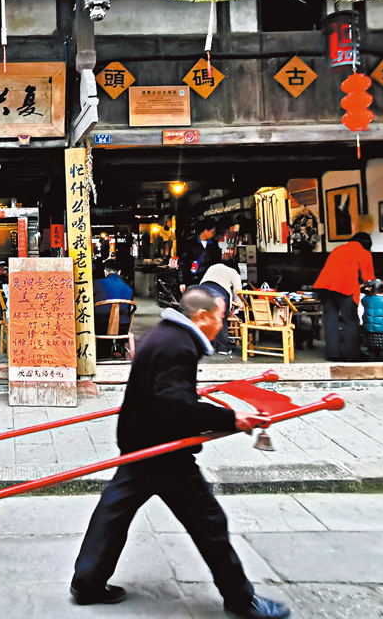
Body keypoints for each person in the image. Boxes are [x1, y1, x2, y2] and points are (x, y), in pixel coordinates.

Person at [71, 287, 290, 619]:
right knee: (210, 522)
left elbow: (164, 390)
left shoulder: (162, 334)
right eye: (220, 317)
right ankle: (242, 600)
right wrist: (233, 419)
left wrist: (196, 396)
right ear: (201, 316)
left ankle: (86, 582)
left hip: (139, 443)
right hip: (165, 451)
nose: (222, 325)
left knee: (113, 512)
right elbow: (173, 403)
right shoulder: (178, 346)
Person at [313, 232, 375, 362]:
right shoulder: (363, 252)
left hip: (324, 287)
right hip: (345, 288)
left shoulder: (338, 249)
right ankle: (351, 355)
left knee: (330, 320)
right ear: (367, 244)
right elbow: (368, 278)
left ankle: (333, 354)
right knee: (350, 321)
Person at [201, 259, 245, 355]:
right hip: (218, 294)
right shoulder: (234, 273)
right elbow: (238, 294)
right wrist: (239, 307)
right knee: (220, 318)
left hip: (201, 292)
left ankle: (202, 346)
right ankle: (223, 348)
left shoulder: (213, 266)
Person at [92, 259, 134, 358]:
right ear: (119, 272)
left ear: (105, 271)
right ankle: (119, 347)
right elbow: (128, 308)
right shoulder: (128, 288)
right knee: (123, 316)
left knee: (98, 316)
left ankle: (103, 352)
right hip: (122, 325)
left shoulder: (97, 284)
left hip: (101, 324)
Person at [178, 219, 222, 291]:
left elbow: (216, 261)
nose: (214, 234)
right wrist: (182, 282)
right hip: (193, 280)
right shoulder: (190, 244)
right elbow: (183, 263)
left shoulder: (213, 245)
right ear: (205, 231)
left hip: (209, 280)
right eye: (212, 232)